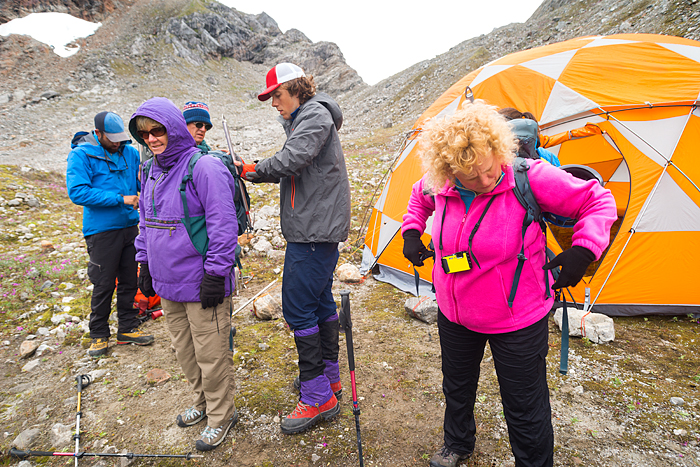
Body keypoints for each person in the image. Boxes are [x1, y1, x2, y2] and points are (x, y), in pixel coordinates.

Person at [401, 101, 617, 467]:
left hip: (517, 317)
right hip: (455, 314)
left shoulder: (527, 176)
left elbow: (597, 200)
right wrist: (411, 231)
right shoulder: (440, 184)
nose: (485, 181)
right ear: (449, 170)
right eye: (471, 177)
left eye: (488, 169)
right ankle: (457, 444)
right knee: (456, 388)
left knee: (524, 405)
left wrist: (583, 249)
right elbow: (417, 199)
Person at [241, 62, 351, 435]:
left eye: (277, 95)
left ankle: (318, 396)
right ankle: (328, 380)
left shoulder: (314, 115)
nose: (274, 103)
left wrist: (251, 169)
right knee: (319, 302)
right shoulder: (309, 115)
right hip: (314, 228)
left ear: (296, 89)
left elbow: (292, 160)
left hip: (313, 232)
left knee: (298, 307)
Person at [128, 97, 239, 451]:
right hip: (167, 280)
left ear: (173, 128)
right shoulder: (148, 170)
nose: (152, 138)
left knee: (212, 352)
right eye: (144, 133)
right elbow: (146, 220)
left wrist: (216, 273)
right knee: (185, 351)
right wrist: (144, 262)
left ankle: (222, 416)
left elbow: (223, 224)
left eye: (157, 130)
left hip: (202, 278)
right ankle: (203, 403)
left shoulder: (204, 167)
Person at [66, 111, 155, 358]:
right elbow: (78, 192)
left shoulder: (130, 152)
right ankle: (98, 335)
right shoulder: (81, 156)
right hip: (101, 230)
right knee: (103, 283)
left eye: (120, 138)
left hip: (130, 227)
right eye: (112, 138)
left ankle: (127, 328)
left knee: (129, 280)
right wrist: (120, 199)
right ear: (98, 134)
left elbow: (140, 183)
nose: (117, 143)